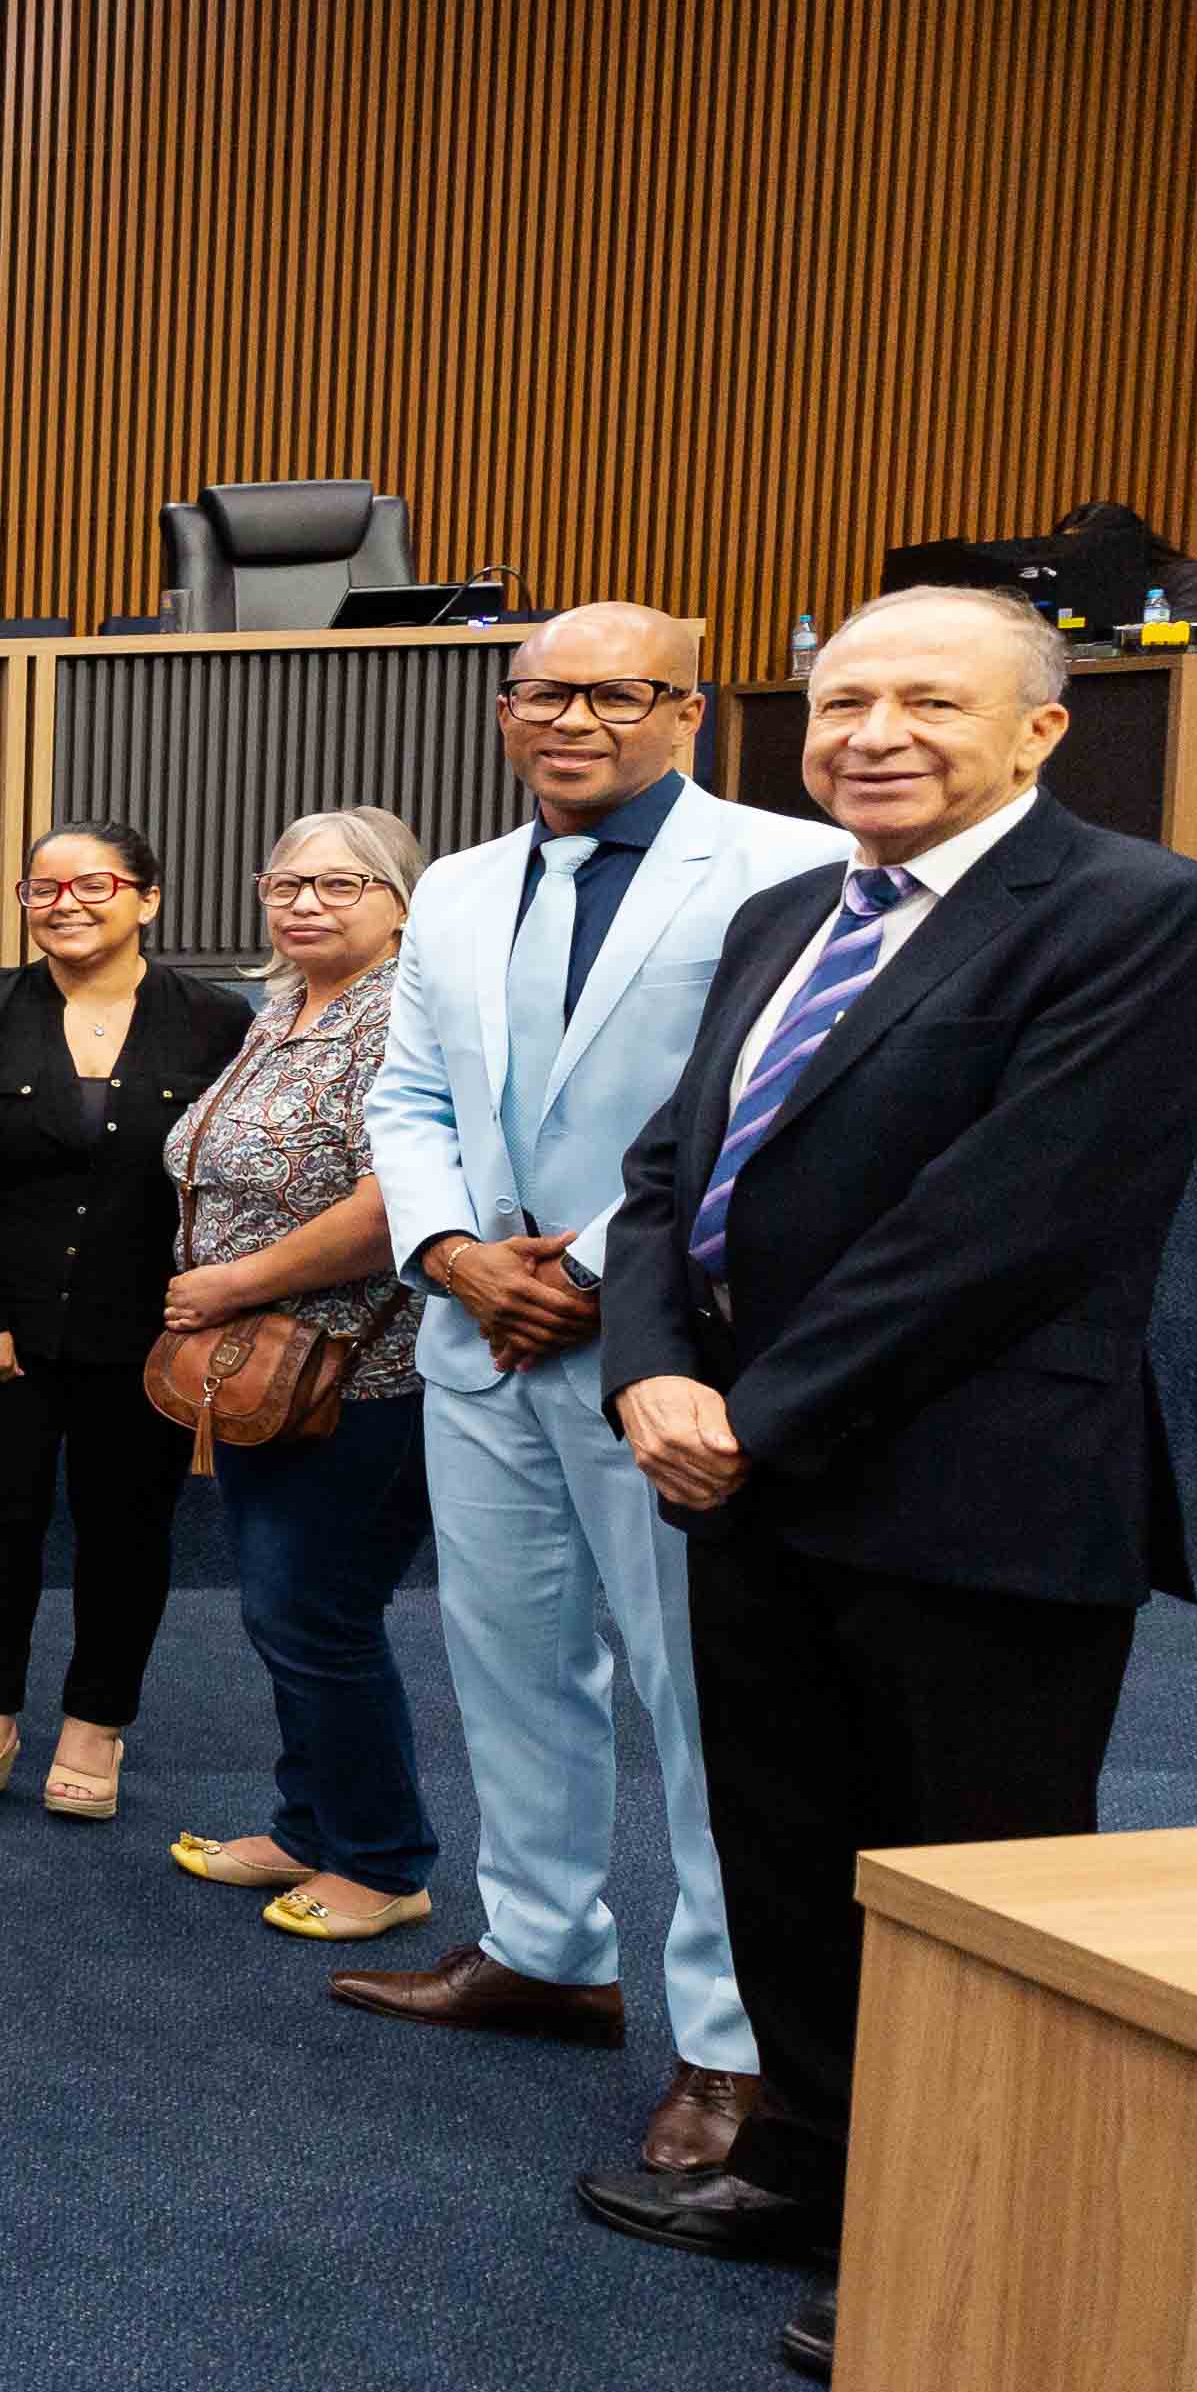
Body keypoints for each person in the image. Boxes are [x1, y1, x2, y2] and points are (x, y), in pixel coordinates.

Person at [583, 587, 1197, 2378]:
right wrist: (651, 1363)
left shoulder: (1143, 916)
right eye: (842, 700)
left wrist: (753, 1412)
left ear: (1042, 728)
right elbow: (671, 1174)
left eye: (928, 701)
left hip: (971, 1495)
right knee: (787, 1851)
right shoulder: (791, 910)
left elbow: (1015, 1221)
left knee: (974, 1889)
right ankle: (813, 2166)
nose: (871, 732)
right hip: (752, 1479)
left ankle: (973, 2239)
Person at [343, 601, 847, 2165]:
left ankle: (733, 2042)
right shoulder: (463, 890)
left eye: (614, 695)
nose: (571, 722)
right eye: (539, 694)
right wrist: (445, 1249)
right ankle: (547, 1954)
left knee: (700, 1704)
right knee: (507, 1669)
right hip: (477, 1340)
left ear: (687, 708)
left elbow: (770, 1102)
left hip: (663, 1351)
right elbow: (410, 1093)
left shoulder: (783, 869)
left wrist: (589, 1269)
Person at [0, 822, 240, 1819]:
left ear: (149, 898)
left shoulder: (214, 1020)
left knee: (128, 1529)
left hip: (152, 1333)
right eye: (42, 887)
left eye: (95, 884)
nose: (67, 902)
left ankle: (96, 1726)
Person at [156, 813, 442, 1940]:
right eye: (286, 884)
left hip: (363, 1372)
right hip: (264, 1370)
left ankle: (383, 1861)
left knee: (319, 1613)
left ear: (402, 902)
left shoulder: (401, 1019)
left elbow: (394, 1203)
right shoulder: (282, 1007)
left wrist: (235, 1285)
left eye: (341, 884)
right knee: (283, 1613)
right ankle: (308, 1826)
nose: (307, 904)